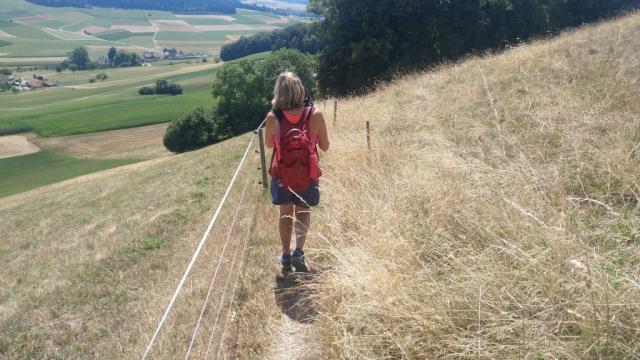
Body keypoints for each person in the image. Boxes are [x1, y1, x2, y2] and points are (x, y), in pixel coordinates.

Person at [265, 72, 329, 272]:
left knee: (285, 213)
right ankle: (298, 252)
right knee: (303, 211)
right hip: (307, 173)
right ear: (300, 89)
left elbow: (268, 145)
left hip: (282, 174)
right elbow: (325, 146)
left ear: (279, 92)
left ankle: (285, 256)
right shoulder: (315, 114)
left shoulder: (273, 117)